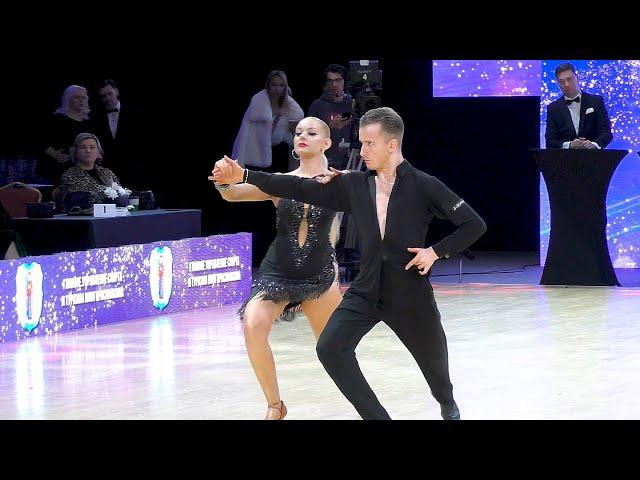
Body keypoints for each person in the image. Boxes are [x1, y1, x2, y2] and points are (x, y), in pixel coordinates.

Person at [212, 107, 487, 420]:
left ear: (392, 145)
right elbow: (296, 187)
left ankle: (447, 402)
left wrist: (436, 252)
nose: (363, 150)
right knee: (330, 349)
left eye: (370, 144)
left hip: (409, 291)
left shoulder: (425, 185)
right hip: (366, 290)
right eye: (361, 143)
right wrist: (244, 175)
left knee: (434, 365)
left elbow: (473, 224)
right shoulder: (354, 184)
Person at [210, 117, 342, 420]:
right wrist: (222, 179)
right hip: (278, 270)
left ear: (327, 142)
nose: (302, 137)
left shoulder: (341, 181)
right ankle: (274, 405)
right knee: (253, 324)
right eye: (297, 133)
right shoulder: (281, 181)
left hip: (320, 274)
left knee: (334, 351)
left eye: (311, 132)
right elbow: (233, 194)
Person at [232, 70, 304, 173]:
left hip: (280, 152)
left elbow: (296, 124)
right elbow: (263, 135)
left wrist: (292, 128)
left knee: (278, 185)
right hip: (259, 154)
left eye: (281, 85)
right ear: (268, 85)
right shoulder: (259, 104)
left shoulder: (289, 105)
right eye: (274, 85)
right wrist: (277, 118)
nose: (277, 89)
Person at [91, 79, 147, 189]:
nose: (107, 98)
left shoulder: (136, 112)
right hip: (107, 168)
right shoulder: (95, 116)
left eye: (110, 93)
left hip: (133, 167)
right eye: (103, 96)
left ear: (117, 91)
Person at [545, 62, 613, 149]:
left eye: (569, 79)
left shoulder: (596, 101)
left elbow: (606, 133)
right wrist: (569, 145)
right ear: (557, 83)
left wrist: (594, 144)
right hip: (565, 160)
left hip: (594, 158)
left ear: (577, 78)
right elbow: (550, 141)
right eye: (561, 81)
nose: (566, 84)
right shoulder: (553, 108)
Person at [55, 133, 127, 212]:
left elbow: (121, 194)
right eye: (83, 148)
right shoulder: (69, 176)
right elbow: (78, 203)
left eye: (92, 147)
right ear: (75, 152)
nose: (88, 151)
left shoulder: (107, 172)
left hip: (113, 215)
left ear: (98, 151)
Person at [39, 85, 96, 183]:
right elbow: (40, 141)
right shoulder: (56, 119)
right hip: (59, 169)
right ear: (68, 99)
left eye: (83, 97)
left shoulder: (89, 122)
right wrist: (54, 154)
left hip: (83, 170)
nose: (81, 100)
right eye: (77, 97)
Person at [308, 64, 354, 170]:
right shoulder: (317, 105)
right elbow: (310, 136)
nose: (334, 84)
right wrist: (329, 128)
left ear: (344, 82)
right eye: (330, 81)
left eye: (338, 80)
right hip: (325, 159)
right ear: (326, 83)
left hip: (351, 159)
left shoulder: (354, 104)